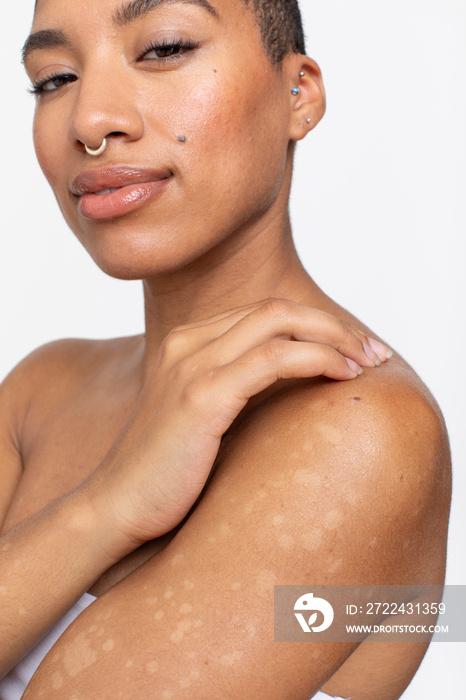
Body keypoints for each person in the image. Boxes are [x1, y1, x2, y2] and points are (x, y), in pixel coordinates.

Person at [0, 0, 451, 697]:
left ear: (297, 94)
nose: (89, 120)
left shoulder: (360, 428)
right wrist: (110, 503)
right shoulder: (41, 389)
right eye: (54, 79)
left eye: (164, 47)